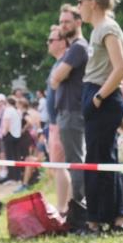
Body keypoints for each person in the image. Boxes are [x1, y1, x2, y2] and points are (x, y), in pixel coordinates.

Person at [78, 0, 123, 235]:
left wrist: (98, 98)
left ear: (92, 3)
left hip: (104, 98)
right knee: (100, 160)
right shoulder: (98, 29)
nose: (78, 7)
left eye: (80, 1)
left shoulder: (107, 27)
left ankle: (105, 221)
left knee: (101, 161)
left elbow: (121, 68)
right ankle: (106, 220)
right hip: (98, 96)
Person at [50, 3, 88, 205]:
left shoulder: (78, 47)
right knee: (74, 161)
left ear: (78, 22)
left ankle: (80, 207)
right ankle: (79, 206)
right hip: (68, 112)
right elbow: (55, 79)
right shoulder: (73, 48)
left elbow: (56, 78)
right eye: (61, 22)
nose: (63, 25)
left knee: (76, 162)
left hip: (73, 112)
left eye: (67, 21)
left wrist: (57, 77)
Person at [45, 26, 72, 212]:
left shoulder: (65, 61)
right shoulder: (58, 63)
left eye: (51, 40)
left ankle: (64, 207)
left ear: (62, 42)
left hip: (60, 121)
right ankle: (64, 205)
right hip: (55, 122)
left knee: (60, 165)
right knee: (58, 166)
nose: (48, 43)